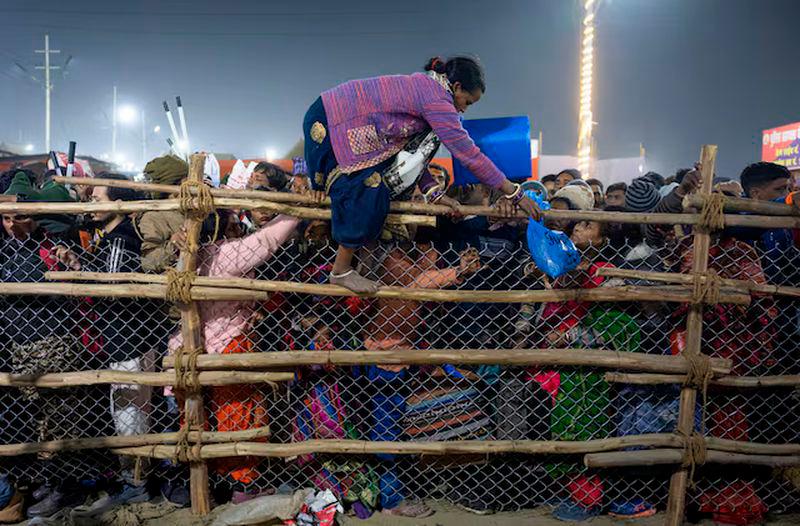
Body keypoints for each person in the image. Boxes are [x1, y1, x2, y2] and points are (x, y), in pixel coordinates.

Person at [302, 54, 540, 293]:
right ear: (456, 87)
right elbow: (468, 154)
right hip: (332, 119)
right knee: (369, 188)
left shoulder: (431, 90)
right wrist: (516, 193)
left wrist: (433, 192)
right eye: (467, 101)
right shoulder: (437, 98)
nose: (462, 109)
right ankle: (341, 271)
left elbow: (412, 154)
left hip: (340, 119)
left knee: (377, 190)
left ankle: (350, 268)